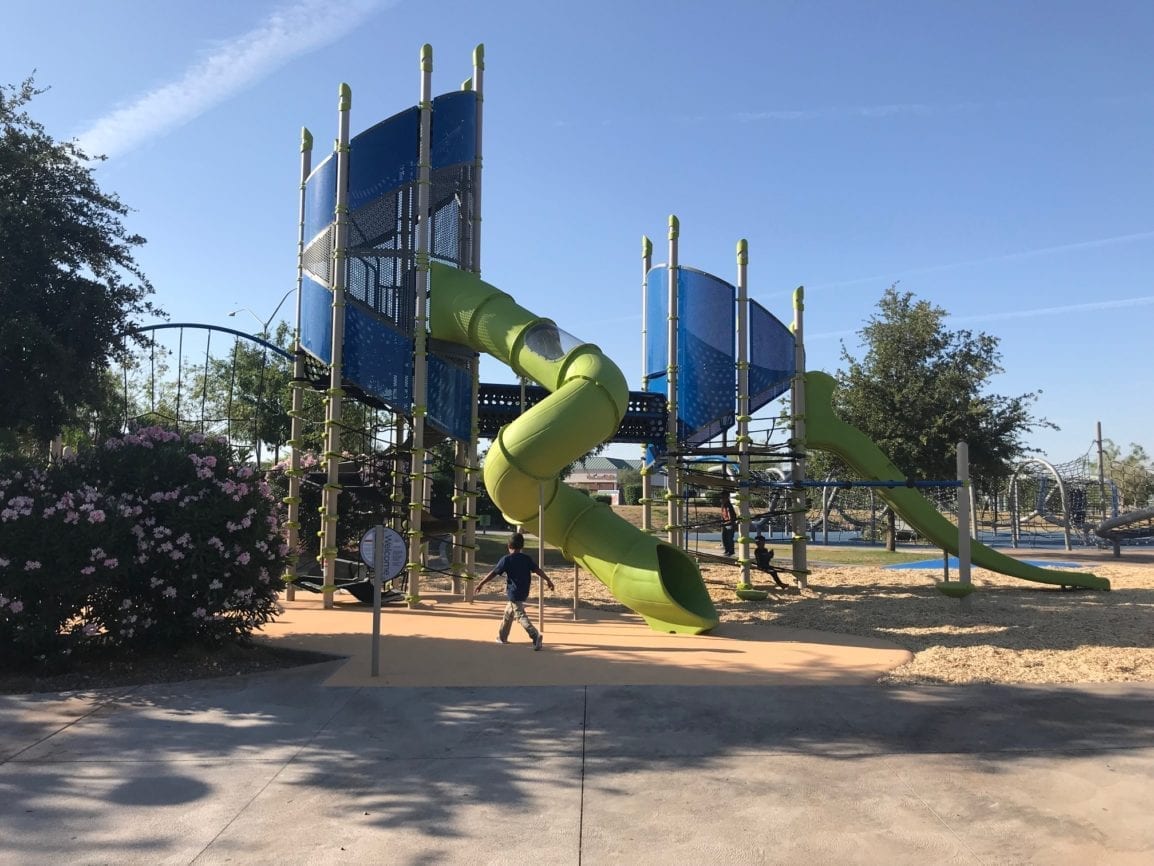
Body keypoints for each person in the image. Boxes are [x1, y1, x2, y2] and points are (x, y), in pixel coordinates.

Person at [474, 532, 555, 650]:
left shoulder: (506, 559)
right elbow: (538, 570)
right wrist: (548, 580)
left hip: (514, 592)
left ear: (509, 546)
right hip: (524, 590)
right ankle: (502, 637)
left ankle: (535, 635)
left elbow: (494, 573)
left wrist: (481, 583)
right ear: (522, 546)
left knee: (520, 615)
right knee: (508, 612)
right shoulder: (526, 558)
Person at [720, 491, 737, 556]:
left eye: (723, 497)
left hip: (730, 524)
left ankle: (731, 551)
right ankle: (726, 550)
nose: (721, 499)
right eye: (721, 497)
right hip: (725, 524)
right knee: (724, 538)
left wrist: (728, 522)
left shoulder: (729, 506)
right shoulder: (723, 505)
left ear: (727, 497)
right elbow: (723, 515)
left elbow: (732, 517)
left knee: (729, 538)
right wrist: (722, 522)